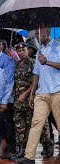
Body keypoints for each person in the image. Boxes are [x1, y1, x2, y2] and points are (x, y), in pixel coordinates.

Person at [18, 26, 60, 164]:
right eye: (36, 33)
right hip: (42, 93)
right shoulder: (39, 51)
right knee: (36, 124)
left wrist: (46, 61)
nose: (38, 35)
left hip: (57, 92)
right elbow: (36, 73)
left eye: (40, 33)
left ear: (48, 33)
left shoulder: (58, 47)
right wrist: (31, 94)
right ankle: (29, 156)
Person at [11, 42, 52, 161]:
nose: (21, 53)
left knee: (34, 125)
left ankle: (47, 143)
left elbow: (36, 82)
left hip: (31, 99)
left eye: (23, 50)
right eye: (19, 51)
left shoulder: (34, 63)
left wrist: (26, 94)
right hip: (18, 100)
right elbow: (17, 80)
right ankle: (21, 150)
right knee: (19, 125)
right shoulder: (17, 63)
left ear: (28, 51)